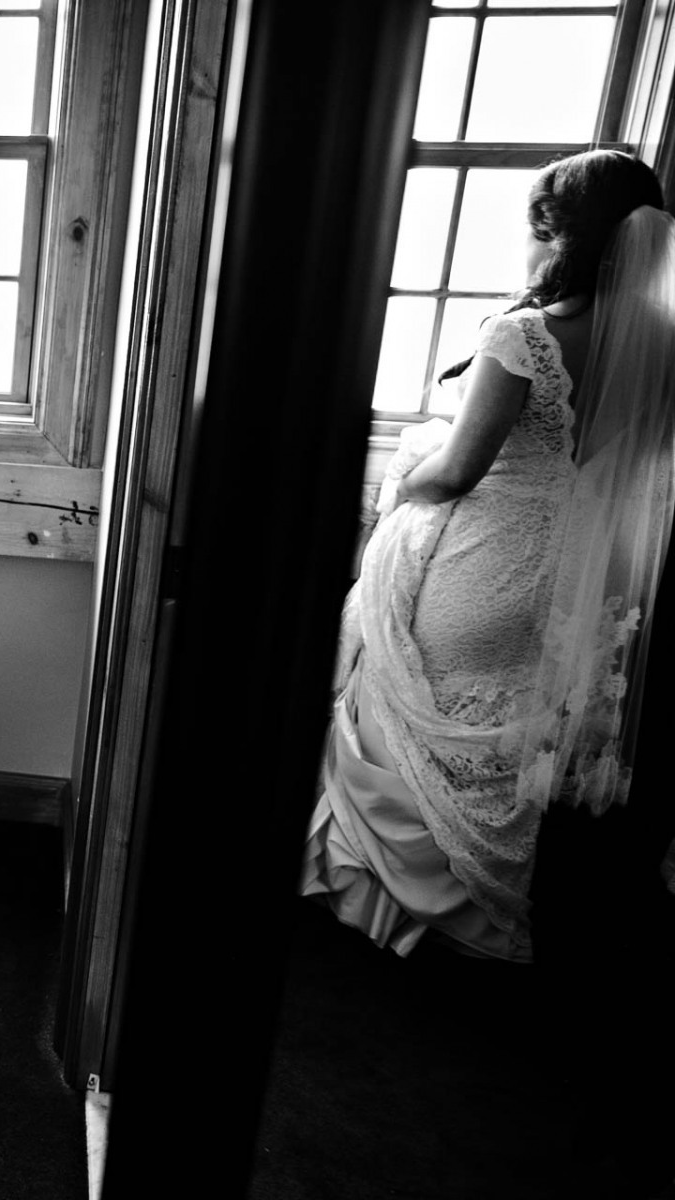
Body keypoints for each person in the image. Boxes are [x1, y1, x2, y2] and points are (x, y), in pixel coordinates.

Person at [300, 150, 675, 967]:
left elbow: (460, 470)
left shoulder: (524, 334)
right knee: (506, 745)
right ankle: (479, 917)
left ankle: (398, 905)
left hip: (483, 564)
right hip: (578, 578)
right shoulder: (660, 340)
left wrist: (406, 472)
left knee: (407, 716)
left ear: (557, 232)